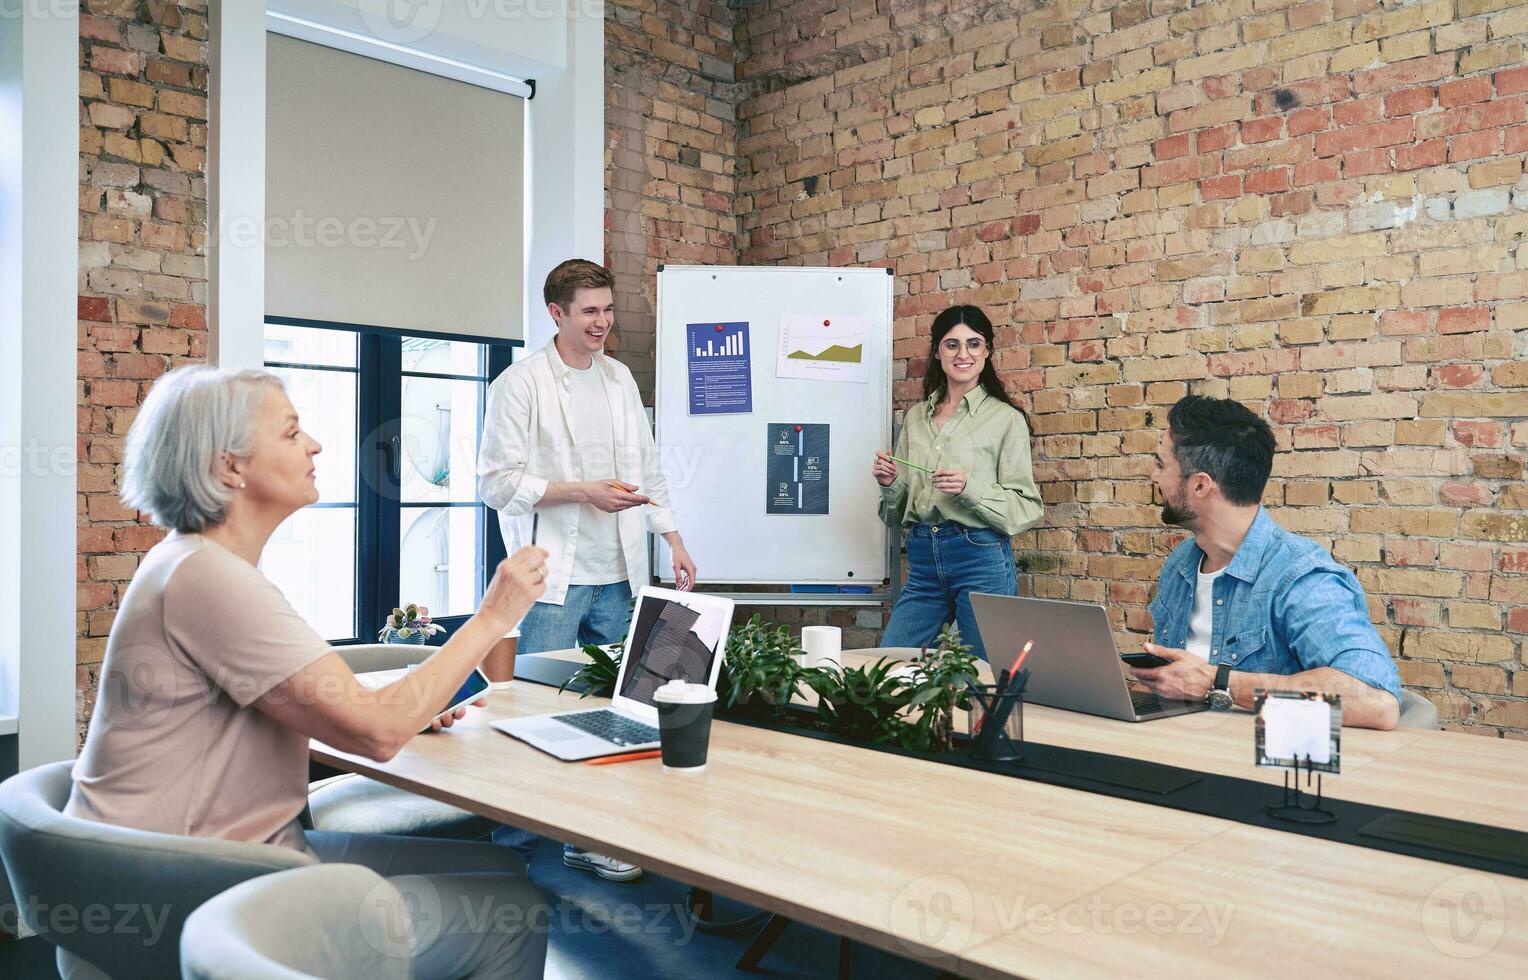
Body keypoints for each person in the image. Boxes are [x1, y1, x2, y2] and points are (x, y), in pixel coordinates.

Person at [67, 366, 550, 978]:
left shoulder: (193, 564)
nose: (316, 445)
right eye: (292, 433)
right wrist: (492, 616)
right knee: (516, 910)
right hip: (198, 889)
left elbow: (326, 709)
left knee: (500, 868)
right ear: (229, 468)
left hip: (210, 862)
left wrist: (413, 704)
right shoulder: (209, 579)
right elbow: (376, 733)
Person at [477, 258, 696, 881]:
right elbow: (496, 483)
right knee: (530, 713)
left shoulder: (620, 379)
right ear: (557, 314)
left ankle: (595, 835)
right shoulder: (519, 385)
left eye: (607, 309)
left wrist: (674, 538)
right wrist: (583, 492)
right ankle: (509, 853)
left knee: (619, 713)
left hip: (622, 576)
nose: (603, 323)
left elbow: (649, 469)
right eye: (589, 312)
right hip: (552, 579)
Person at [1127, 395, 1402, 730]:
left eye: (1161, 465)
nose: (1154, 477)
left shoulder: (1301, 577)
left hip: (1261, 767)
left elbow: (1377, 704)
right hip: (1177, 756)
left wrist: (1218, 682)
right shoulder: (1181, 564)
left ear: (1200, 485)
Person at [872, 305, 1043, 662]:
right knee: (891, 665)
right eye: (952, 345)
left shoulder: (1006, 420)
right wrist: (891, 485)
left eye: (973, 344)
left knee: (983, 676)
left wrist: (969, 488)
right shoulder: (916, 418)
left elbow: (1025, 509)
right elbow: (896, 513)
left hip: (979, 556)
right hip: (922, 557)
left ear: (987, 351)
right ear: (938, 352)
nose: (962, 354)